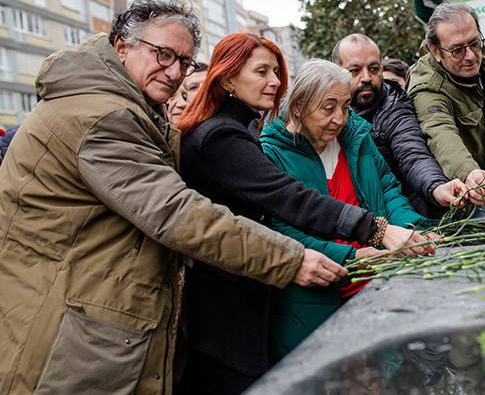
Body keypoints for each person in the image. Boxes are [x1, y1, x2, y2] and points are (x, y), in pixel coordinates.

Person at [0, 0, 346, 395]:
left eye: (184, 61)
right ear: (121, 46)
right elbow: (175, 214)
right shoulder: (104, 117)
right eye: (163, 54)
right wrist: (290, 259)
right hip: (67, 325)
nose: (174, 72)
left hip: (88, 315)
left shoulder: (127, 108)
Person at [176, 33, 431, 393]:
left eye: (275, 72)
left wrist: (408, 229)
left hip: (341, 290)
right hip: (236, 306)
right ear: (228, 78)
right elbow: (289, 203)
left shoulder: (242, 128)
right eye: (261, 72)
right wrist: (373, 234)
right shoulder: (226, 137)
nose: (274, 81)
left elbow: (388, 188)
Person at [260, 59, 436, 360]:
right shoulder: (272, 153)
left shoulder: (356, 137)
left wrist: (410, 231)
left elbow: (388, 190)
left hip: (379, 288)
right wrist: (351, 257)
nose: (340, 119)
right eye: (328, 109)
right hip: (315, 306)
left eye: (345, 106)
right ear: (299, 107)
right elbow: (283, 231)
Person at [332, 34, 467, 216]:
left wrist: (436, 187)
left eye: (373, 69)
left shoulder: (395, 106)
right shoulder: (325, 114)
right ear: (336, 72)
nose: (366, 77)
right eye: (355, 70)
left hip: (407, 215)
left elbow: (412, 155)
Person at [407, 3, 485, 208]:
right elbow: (439, 131)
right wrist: (469, 171)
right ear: (435, 51)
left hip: (479, 179)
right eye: (457, 50)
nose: (470, 56)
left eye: (474, 43)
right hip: (449, 199)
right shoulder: (428, 88)